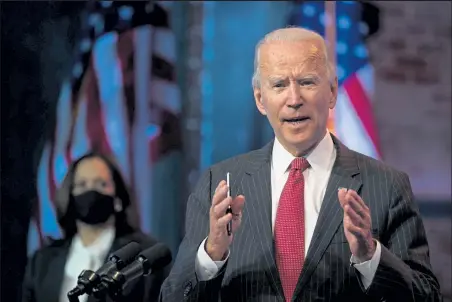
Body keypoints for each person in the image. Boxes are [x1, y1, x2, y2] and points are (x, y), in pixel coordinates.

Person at [160, 27, 442, 302]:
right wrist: (211, 254)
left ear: (332, 92)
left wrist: (371, 256)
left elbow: (426, 295)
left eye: (307, 82)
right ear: (261, 99)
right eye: (279, 85)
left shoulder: (387, 185)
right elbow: (172, 296)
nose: (294, 99)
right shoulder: (220, 183)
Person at [22, 152, 170, 302]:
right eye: (82, 184)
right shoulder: (41, 262)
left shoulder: (145, 256)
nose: (91, 191)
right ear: (70, 196)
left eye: (101, 184)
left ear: (118, 198)